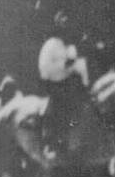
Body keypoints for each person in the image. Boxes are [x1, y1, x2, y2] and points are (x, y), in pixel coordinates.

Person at [36, 10, 89, 161]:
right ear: (58, 26)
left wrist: (83, 80)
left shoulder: (70, 46)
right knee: (58, 107)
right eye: (63, 25)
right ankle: (52, 144)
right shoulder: (50, 45)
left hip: (68, 82)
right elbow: (44, 68)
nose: (66, 28)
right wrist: (65, 65)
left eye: (68, 25)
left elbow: (78, 65)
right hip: (53, 83)